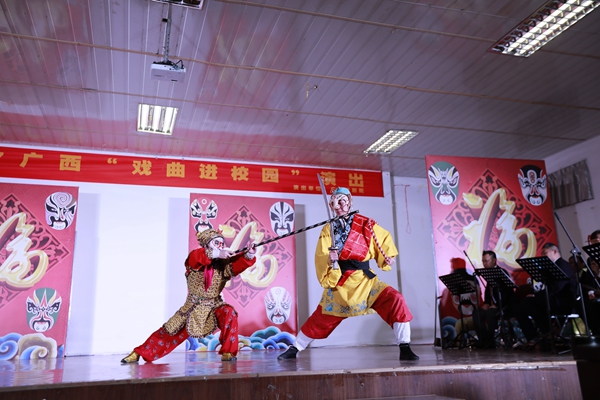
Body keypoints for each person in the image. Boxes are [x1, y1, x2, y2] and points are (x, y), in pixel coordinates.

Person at [277, 187, 419, 361]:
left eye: (342, 201)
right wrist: (331, 260)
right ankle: (295, 348)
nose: (339, 205)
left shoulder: (366, 224)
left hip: (366, 281)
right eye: (335, 202)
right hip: (341, 281)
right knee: (321, 317)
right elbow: (321, 256)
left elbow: (383, 241)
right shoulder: (328, 229)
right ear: (331, 205)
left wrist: (388, 257)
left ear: (350, 202)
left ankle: (404, 346)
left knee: (395, 299)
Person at [121, 229, 257, 363]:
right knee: (170, 331)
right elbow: (198, 257)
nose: (220, 246)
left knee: (229, 312)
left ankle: (228, 352)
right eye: (216, 243)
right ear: (207, 244)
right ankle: (138, 353)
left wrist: (249, 254)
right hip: (194, 307)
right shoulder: (195, 258)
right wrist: (217, 253)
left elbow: (236, 265)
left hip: (215, 305)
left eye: (222, 243)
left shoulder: (223, 265)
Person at [514, 243, 577, 346]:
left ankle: (544, 332)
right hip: (551, 299)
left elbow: (556, 287)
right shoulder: (550, 267)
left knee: (527, 304)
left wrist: (537, 296)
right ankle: (537, 335)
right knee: (520, 307)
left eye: (545, 253)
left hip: (562, 302)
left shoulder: (563, 265)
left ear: (554, 251)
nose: (543, 256)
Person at [472, 251, 516, 348]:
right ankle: (484, 340)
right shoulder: (489, 274)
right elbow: (488, 292)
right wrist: (487, 303)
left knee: (490, 313)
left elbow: (508, 293)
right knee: (477, 313)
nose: (484, 263)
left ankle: (492, 341)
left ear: (494, 260)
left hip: (504, 305)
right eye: (483, 261)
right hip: (492, 305)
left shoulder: (502, 272)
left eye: (486, 261)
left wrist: (497, 305)